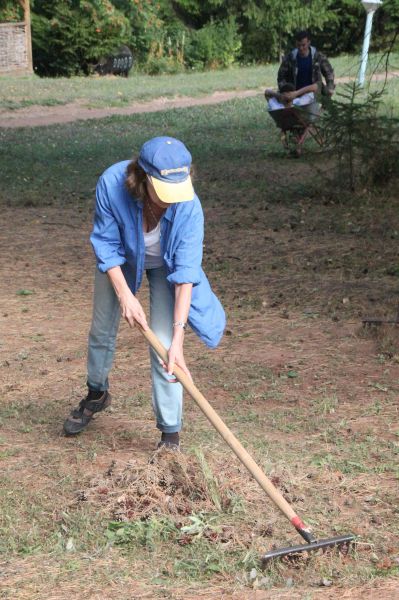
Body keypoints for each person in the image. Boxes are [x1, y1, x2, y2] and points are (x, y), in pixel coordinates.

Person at [63, 136, 226, 450]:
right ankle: (96, 393)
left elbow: (186, 273)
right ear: (142, 179)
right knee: (102, 328)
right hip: (121, 259)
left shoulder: (189, 206)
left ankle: (170, 435)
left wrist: (178, 338)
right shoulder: (112, 184)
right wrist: (125, 295)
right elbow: (106, 245)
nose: (172, 200)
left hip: (166, 266)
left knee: (166, 346)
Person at [276, 29, 335, 105]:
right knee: (271, 99)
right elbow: (281, 76)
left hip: (313, 94)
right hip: (294, 94)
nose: (301, 48)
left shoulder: (318, 56)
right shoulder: (290, 58)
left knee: (303, 104)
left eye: (303, 45)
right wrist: (285, 90)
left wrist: (329, 88)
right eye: (298, 45)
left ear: (309, 43)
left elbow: (329, 72)